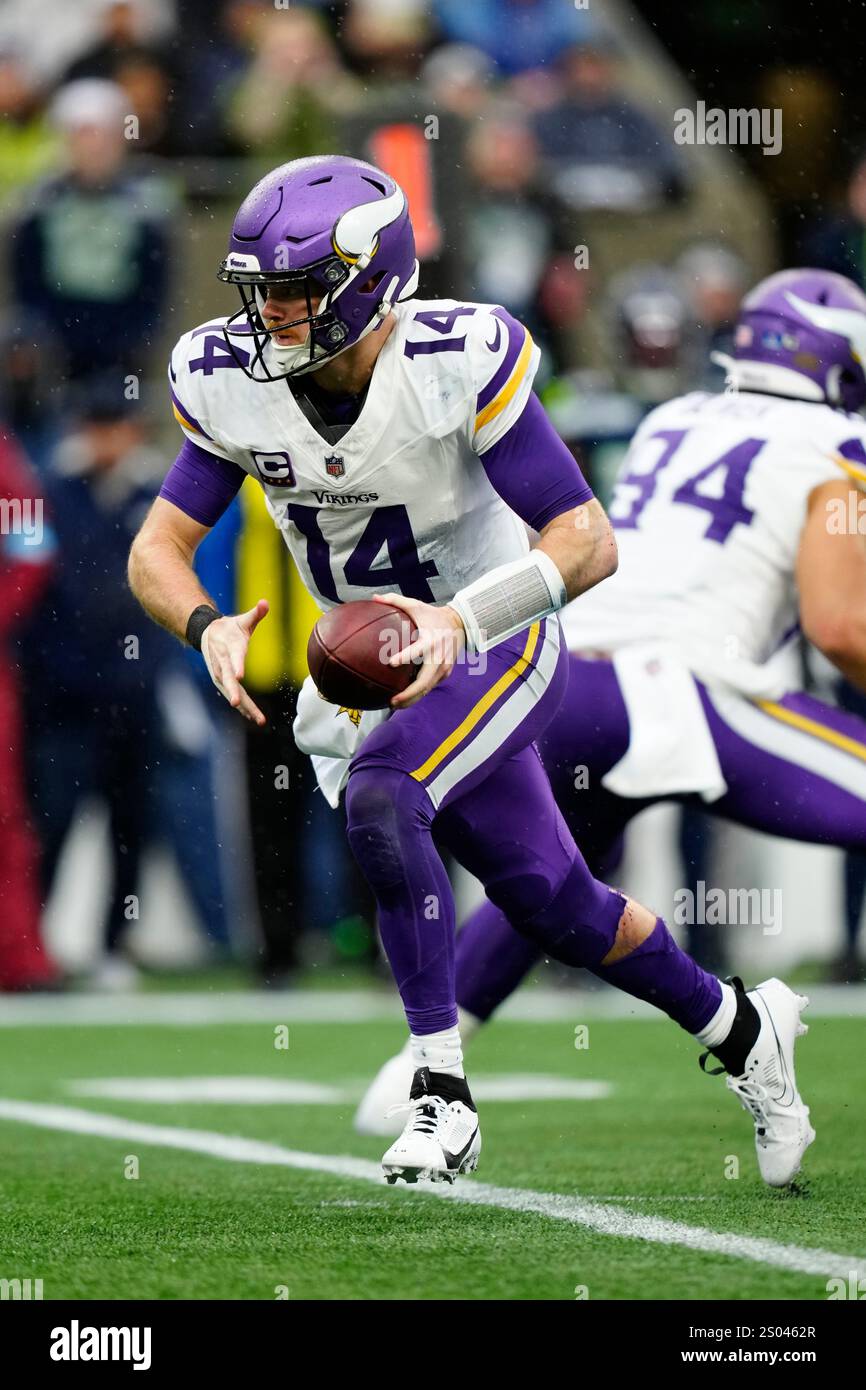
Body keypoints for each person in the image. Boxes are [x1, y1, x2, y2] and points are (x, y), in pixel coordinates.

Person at [128, 157, 813, 1188]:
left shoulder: (454, 356)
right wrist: (206, 626)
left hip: (499, 627)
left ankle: (439, 1098)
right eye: (260, 292)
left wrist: (462, 618)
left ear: (369, 283)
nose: (269, 316)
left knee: (380, 796)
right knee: (551, 898)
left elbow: (585, 539)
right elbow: (155, 550)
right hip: (383, 662)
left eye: (295, 291)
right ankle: (740, 1024)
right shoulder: (229, 381)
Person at [356, 268, 866, 1144]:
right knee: (555, 884)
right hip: (684, 687)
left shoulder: (674, 417)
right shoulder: (839, 445)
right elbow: (840, 624)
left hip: (571, 674)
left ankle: (413, 1075)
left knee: (551, 885)